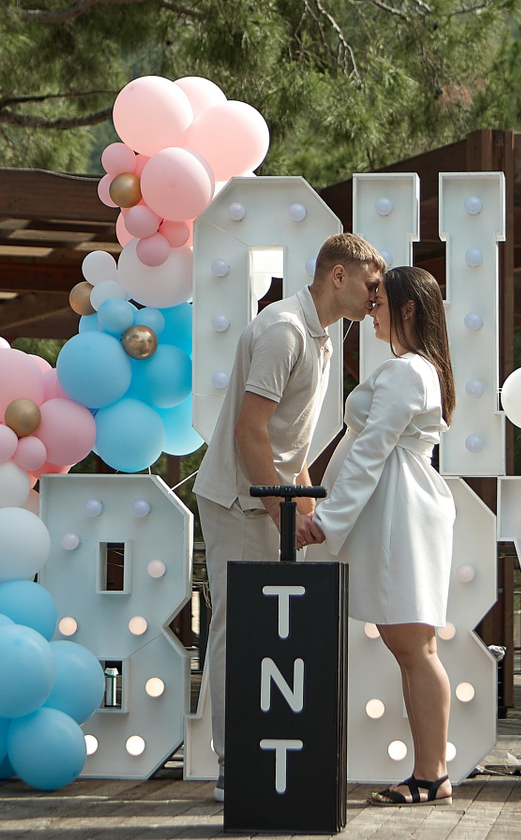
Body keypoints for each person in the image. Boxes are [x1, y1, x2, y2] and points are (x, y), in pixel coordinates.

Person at [192, 231, 385, 802]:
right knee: (237, 629)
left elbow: (288, 438)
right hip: (239, 500)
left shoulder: (319, 334)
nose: (377, 296)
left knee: (267, 632)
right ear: (339, 276)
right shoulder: (284, 330)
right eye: (371, 283)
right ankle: (233, 765)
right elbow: (250, 431)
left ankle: (260, 753)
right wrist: (282, 513)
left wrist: (304, 502)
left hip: (268, 497)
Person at [298, 263, 457, 806]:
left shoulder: (408, 372)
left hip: (399, 514)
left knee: (414, 645)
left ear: (407, 309)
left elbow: (371, 449)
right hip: (398, 510)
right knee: (412, 645)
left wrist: (327, 520)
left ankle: (431, 774)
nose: (371, 312)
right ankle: (430, 772)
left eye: (380, 303)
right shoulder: (418, 369)